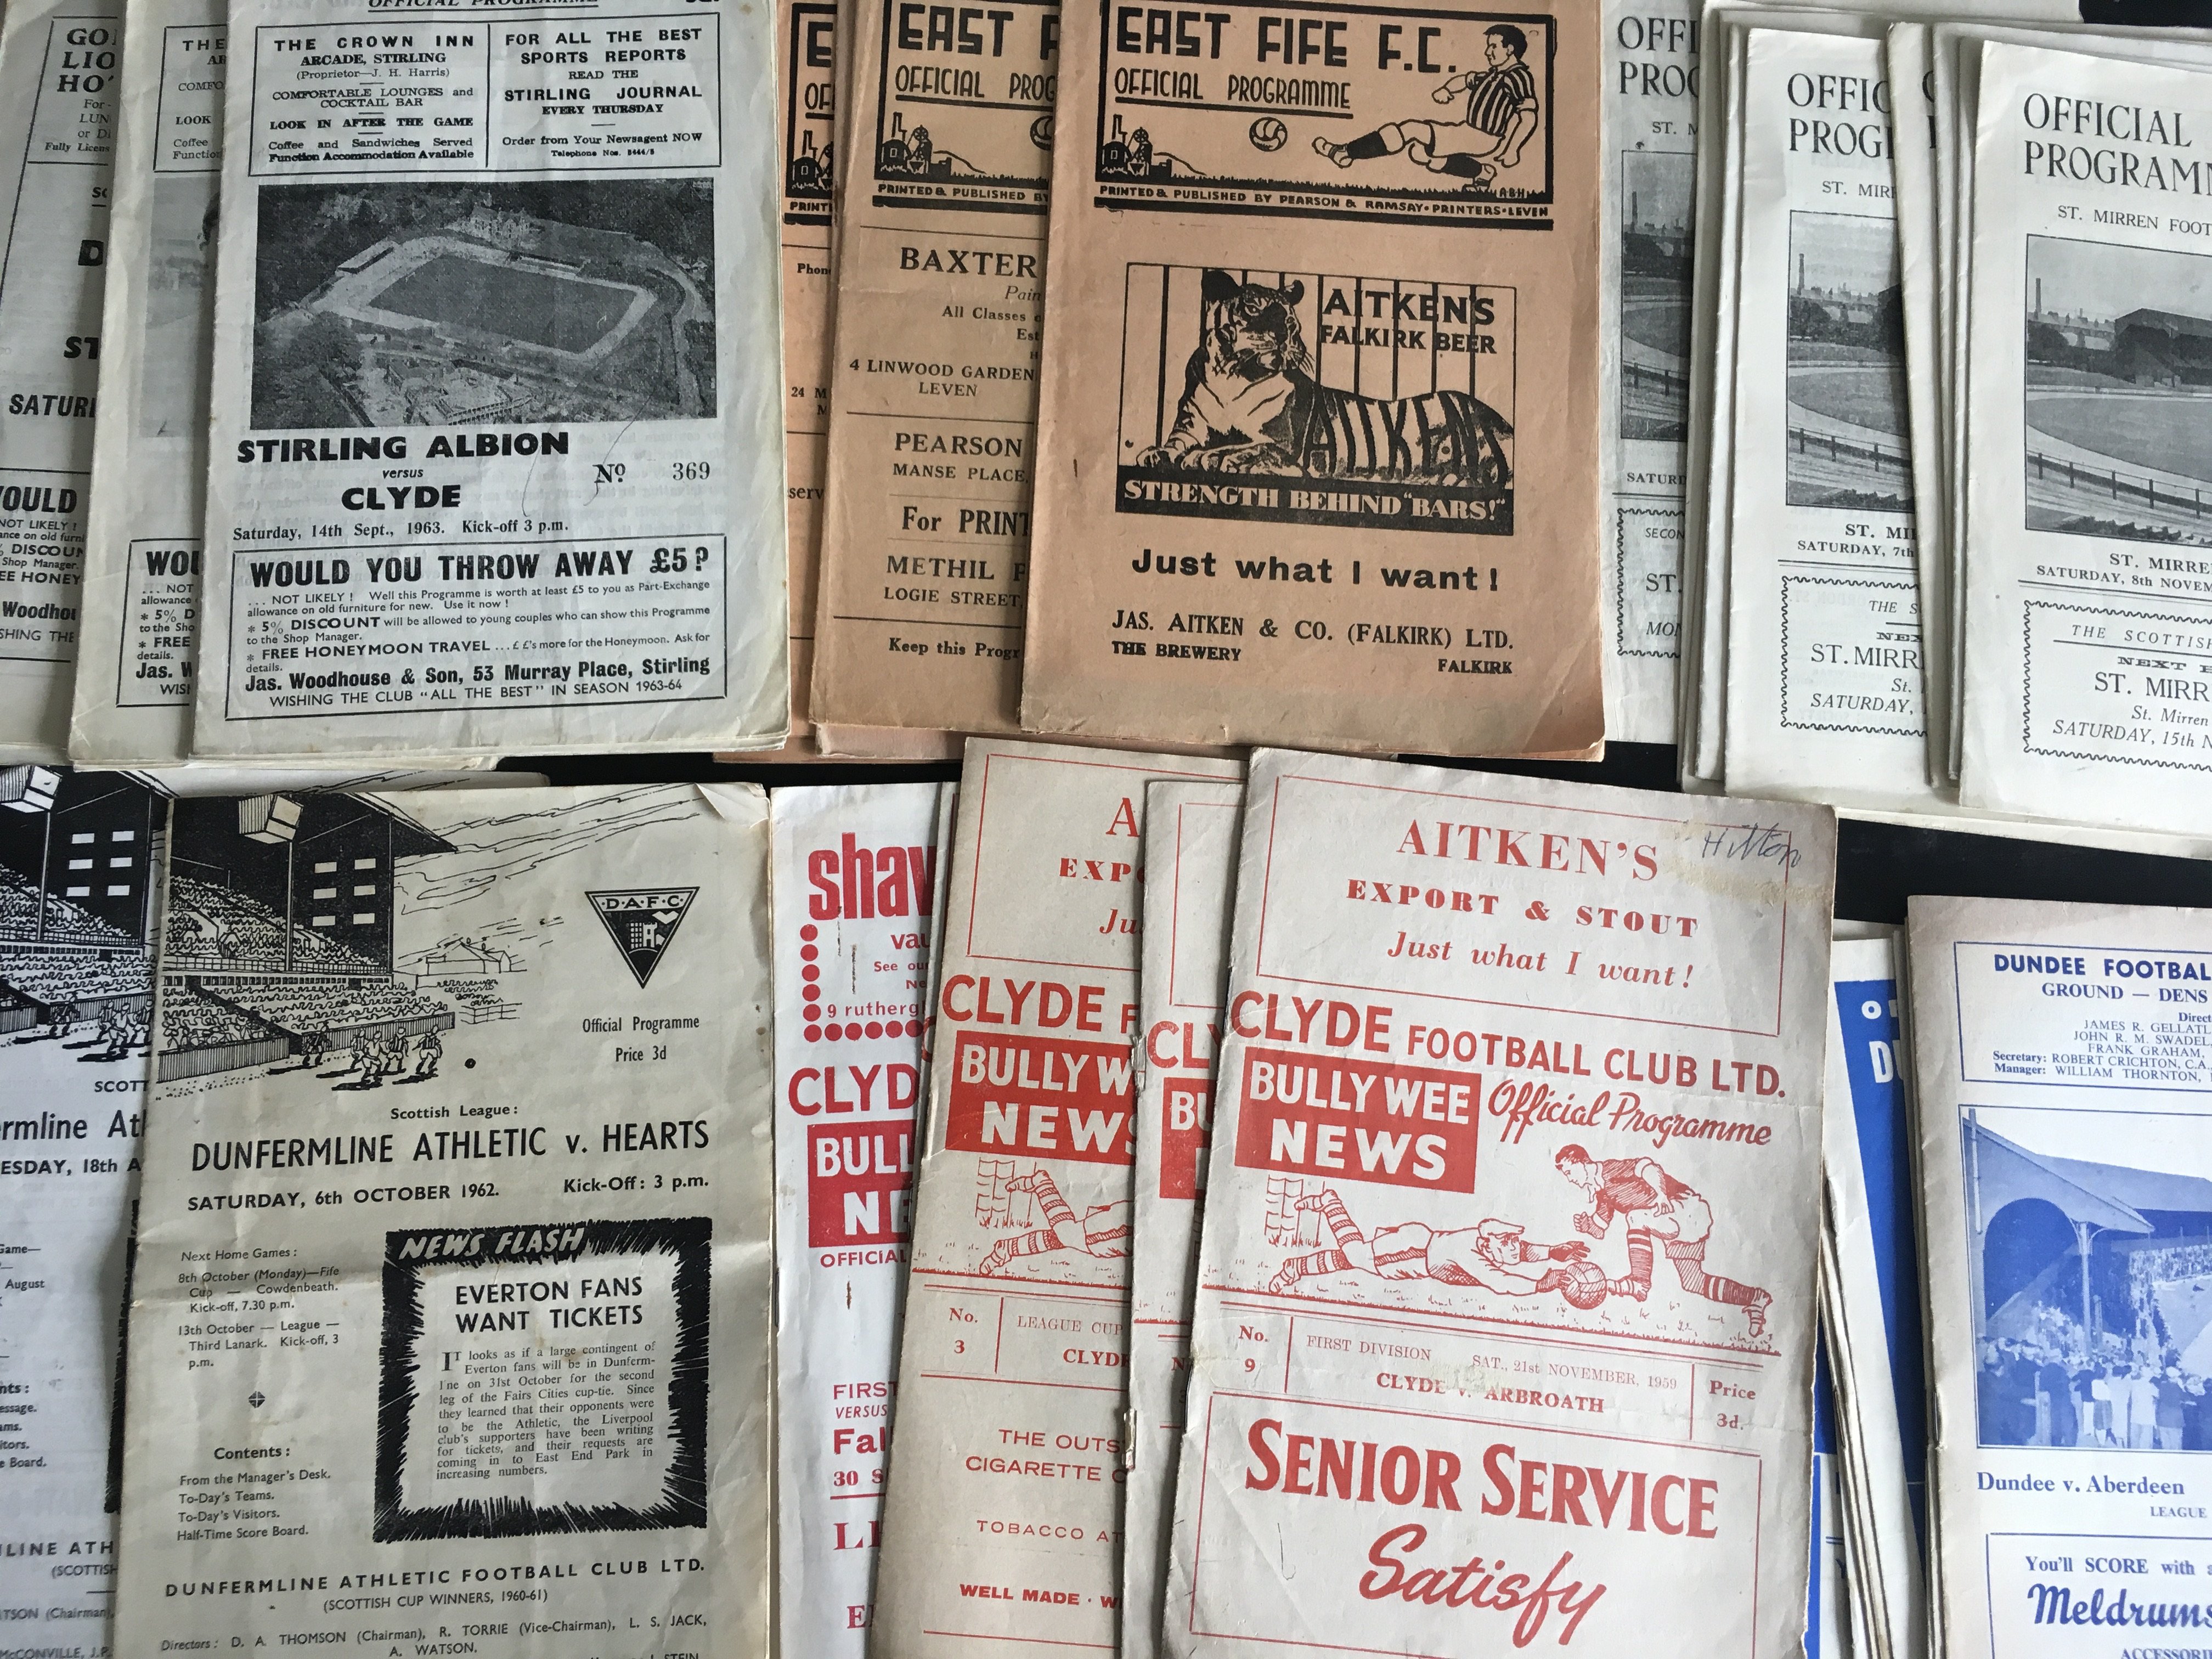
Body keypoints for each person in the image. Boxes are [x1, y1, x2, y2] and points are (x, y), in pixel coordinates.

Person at [1553, 1144, 1771, 1336]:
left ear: (1583, 1162)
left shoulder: (1610, 1170)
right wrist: (1586, 1225)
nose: (1570, 1179)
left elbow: (1648, 1167)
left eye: (1570, 1172)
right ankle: (1754, 1298)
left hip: (1682, 1207)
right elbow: (1600, 1229)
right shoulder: (1603, 1195)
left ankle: (1640, 1282)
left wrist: (1661, 1194)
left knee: (1635, 1217)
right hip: (1667, 1221)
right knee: (1693, 1282)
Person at [1312, 25, 1541, 189]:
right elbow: (1465, 80)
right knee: (1421, 154)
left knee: (1411, 129)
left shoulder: (1518, 76)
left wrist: (1513, 149)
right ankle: (1482, 173)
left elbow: (1528, 116)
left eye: (1493, 46)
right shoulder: (1492, 75)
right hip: (1467, 131)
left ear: (1510, 49)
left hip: (1484, 137)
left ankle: (1346, 152)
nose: (1487, 52)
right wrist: (1447, 89)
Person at [1263, 1189, 1593, 1298]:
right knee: (1355, 1254)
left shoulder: (1491, 1245)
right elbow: (1503, 1283)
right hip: (1412, 1255)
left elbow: (1521, 1255)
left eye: (1513, 1242)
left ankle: (1295, 1268)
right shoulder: (1474, 1256)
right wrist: (1544, 1283)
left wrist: (1553, 1252)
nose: (1515, 1247)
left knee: (1350, 1259)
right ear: (1489, 1243)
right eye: (1508, 1242)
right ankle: (1330, 1203)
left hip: (1418, 1243)